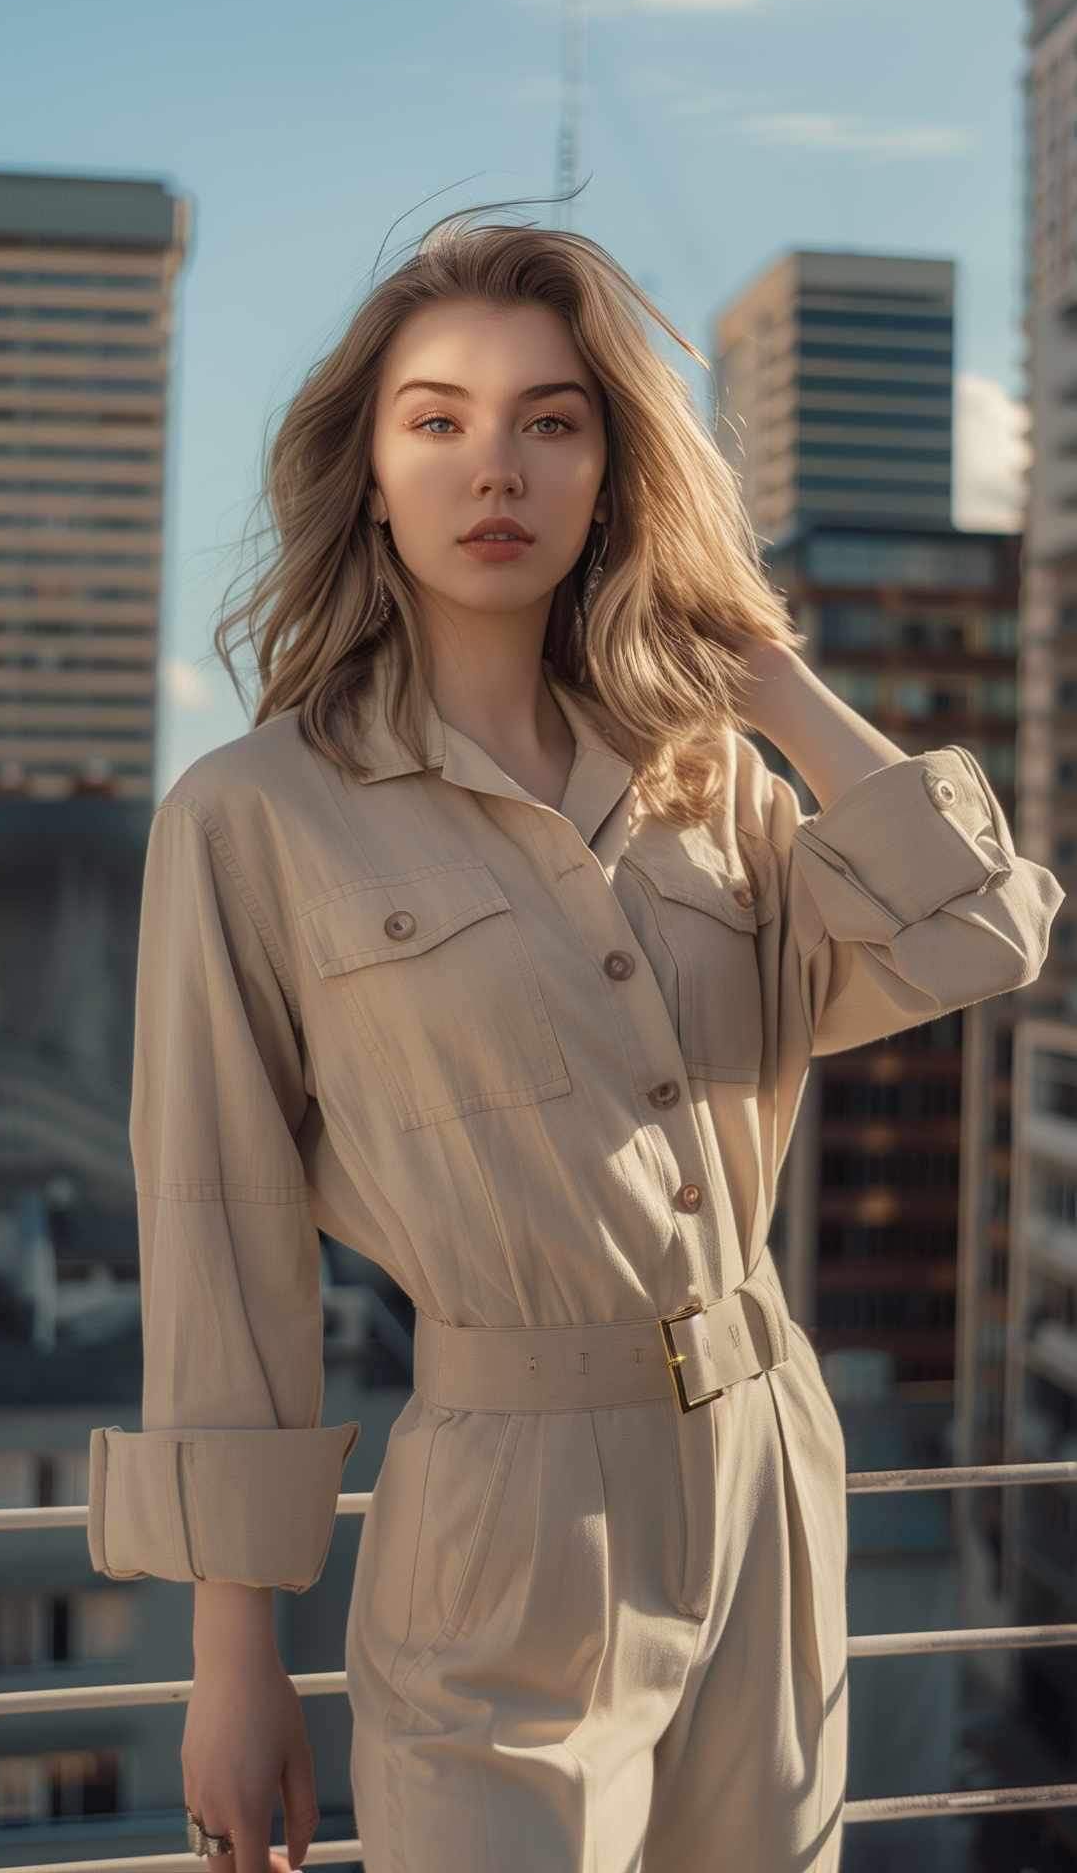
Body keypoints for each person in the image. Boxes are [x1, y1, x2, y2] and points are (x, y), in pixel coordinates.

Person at [86, 196, 1065, 1873]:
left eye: (552, 423)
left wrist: (766, 680)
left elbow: (981, 935)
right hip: (501, 1524)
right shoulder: (253, 819)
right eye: (438, 422)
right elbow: (218, 1241)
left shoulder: (716, 787)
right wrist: (231, 1666)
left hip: (770, 1476)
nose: (496, 470)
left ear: (612, 474)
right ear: (371, 472)